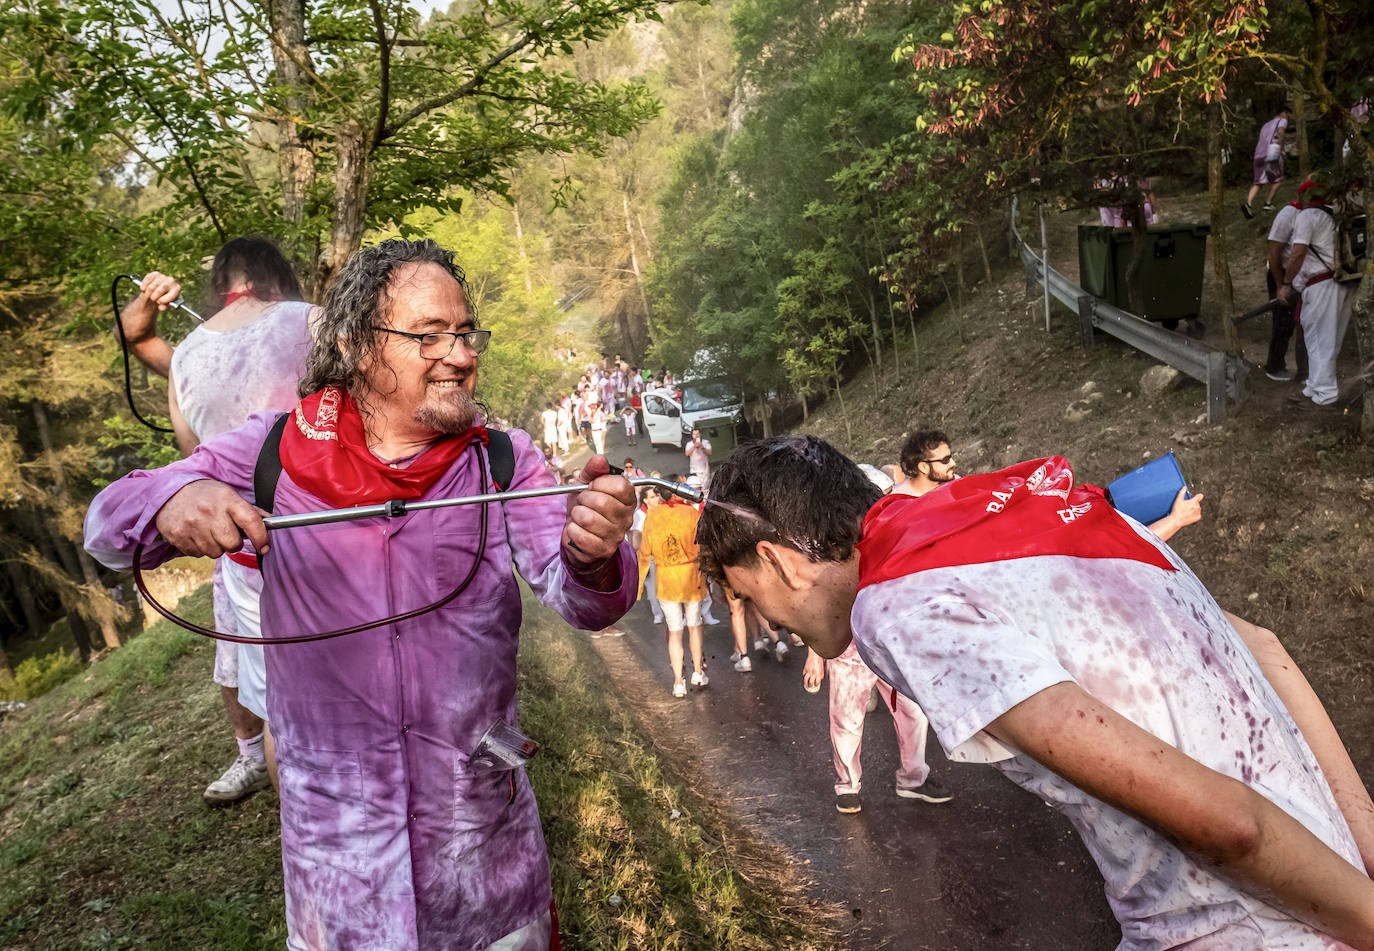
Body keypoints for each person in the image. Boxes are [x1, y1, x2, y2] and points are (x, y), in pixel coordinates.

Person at [87, 238, 638, 949]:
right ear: (354, 345)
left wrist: (594, 554)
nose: (462, 355)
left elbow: (587, 603)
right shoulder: (273, 454)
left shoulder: (503, 460)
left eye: (466, 332)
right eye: (428, 336)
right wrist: (175, 494)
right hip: (341, 884)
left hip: (485, 871)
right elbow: (105, 527)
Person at [698, 436, 1374, 949]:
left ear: (776, 561)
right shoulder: (1030, 516)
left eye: (740, 592)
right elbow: (1266, 648)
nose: (763, 620)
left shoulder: (894, 605)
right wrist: (1364, 848)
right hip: (1334, 878)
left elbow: (1231, 824)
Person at [117, 237, 315, 804]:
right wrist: (150, 299)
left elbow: (189, 449)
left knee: (277, 690)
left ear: (221, 288)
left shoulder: (188, 356)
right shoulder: (311, 320)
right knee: (257, 660)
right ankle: (252, 757)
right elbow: (135, 334)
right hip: (312, 527)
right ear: (278, 280)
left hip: (243, 537)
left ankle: (299, 825)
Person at [1279, 179, 1358, 407]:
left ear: (1305, 197)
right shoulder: (1337, 214)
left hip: (1321, 284)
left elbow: (1298, 254)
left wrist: (1286, 282)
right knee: (1330, 338)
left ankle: (1325, 393)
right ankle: (1314, 386)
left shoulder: (1308, 217)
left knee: (1318, 339)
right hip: (1343, 281)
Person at [637, 474, 707, 697]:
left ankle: (678, 682)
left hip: (666, 580)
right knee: (694, 626)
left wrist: (638, 586)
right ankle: (697, 672)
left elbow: (644, 553)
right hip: (691, 577)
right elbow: (702, 546)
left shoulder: (653, 516)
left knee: (675, 632)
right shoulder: (691, 513)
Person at [1263, 180, 1317, 382]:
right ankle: (1274, 365)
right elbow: (1274, 252)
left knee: (1304, 322)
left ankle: (1306, 371)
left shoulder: (1312, 214)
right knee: (1283, 321)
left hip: (1301, 274)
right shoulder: (1288, 214)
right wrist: (1280, 285)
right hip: (1281, 271)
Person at [1244, 105, 1290, 218]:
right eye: (1288, 115)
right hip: (1272, 152)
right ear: (1284, 113)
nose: (1288, 118)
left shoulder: (1265, 125)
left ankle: (1248, 204)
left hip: (1259, 155)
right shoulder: (1282, 120)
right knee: (1278, 179)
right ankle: (1268, 203)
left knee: (1258, 182)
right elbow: (1280, 133)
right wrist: (1282, 150)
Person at [892, 429, 956, 497]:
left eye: (950, 457)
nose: (953, 463)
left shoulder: (956, 484)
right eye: (945, 460)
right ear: (924, 467)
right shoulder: (897, 500)